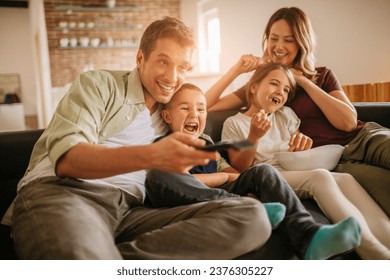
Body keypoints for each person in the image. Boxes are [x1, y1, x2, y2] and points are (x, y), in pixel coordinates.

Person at [3, 17, 276, 260]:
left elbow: (202, 103)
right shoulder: (99, 85)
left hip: (130, 210)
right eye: (163, 62)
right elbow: (68, 159)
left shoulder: (171, 113)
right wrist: (153, 155)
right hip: (66, 195)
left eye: (183, 67)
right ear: (140, 59)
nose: (173, 77)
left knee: (252, 217)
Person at [205, 7, 390, 218]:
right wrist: (236, 70)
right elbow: (206, 106)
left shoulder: (321, 75)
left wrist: (303, 80)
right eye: (274, 38)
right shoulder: (265, 88)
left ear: (301, 43)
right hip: (338, 160)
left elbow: (348, 122)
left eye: (289, 40)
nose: (279, 46)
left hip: (364, 139)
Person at [145, 82, 362, 260]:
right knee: (163, 178)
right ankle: (246, 208)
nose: (195, 114)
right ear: (167, 117)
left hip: (225, 193)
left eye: (201, 109)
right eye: (185, 108)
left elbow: (235, 173)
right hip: (196, 199)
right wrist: (223, 177)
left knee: (262, 171)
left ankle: (309, 236)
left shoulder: (207, 143)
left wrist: (244, 184)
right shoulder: (164, 144)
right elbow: (180, 183)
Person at [220, 62, 390, 259]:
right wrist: (254, 137)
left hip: (292, 169)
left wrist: (301, 145)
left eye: (286, 89)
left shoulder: (285, 115)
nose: (280, 92)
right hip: (270, 176)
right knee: (320, 177)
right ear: (254, 87)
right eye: (274, 84)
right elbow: (240, 167)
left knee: (346, 179)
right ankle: (374, 252)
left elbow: (297, 147)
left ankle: (386, 240)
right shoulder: (234, 123)